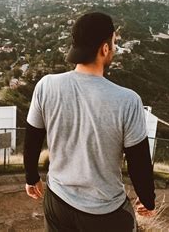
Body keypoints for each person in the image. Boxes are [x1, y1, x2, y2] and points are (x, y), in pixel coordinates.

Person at [23, 12, 156, 232]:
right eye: (113, 42)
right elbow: (138, 160)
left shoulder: (46, 86)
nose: (114, 47)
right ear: (105, 48)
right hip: (105, 212)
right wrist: (147, 199)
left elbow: (33, 138)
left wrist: (31, 177)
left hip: (58, 202)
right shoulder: (128, 100)